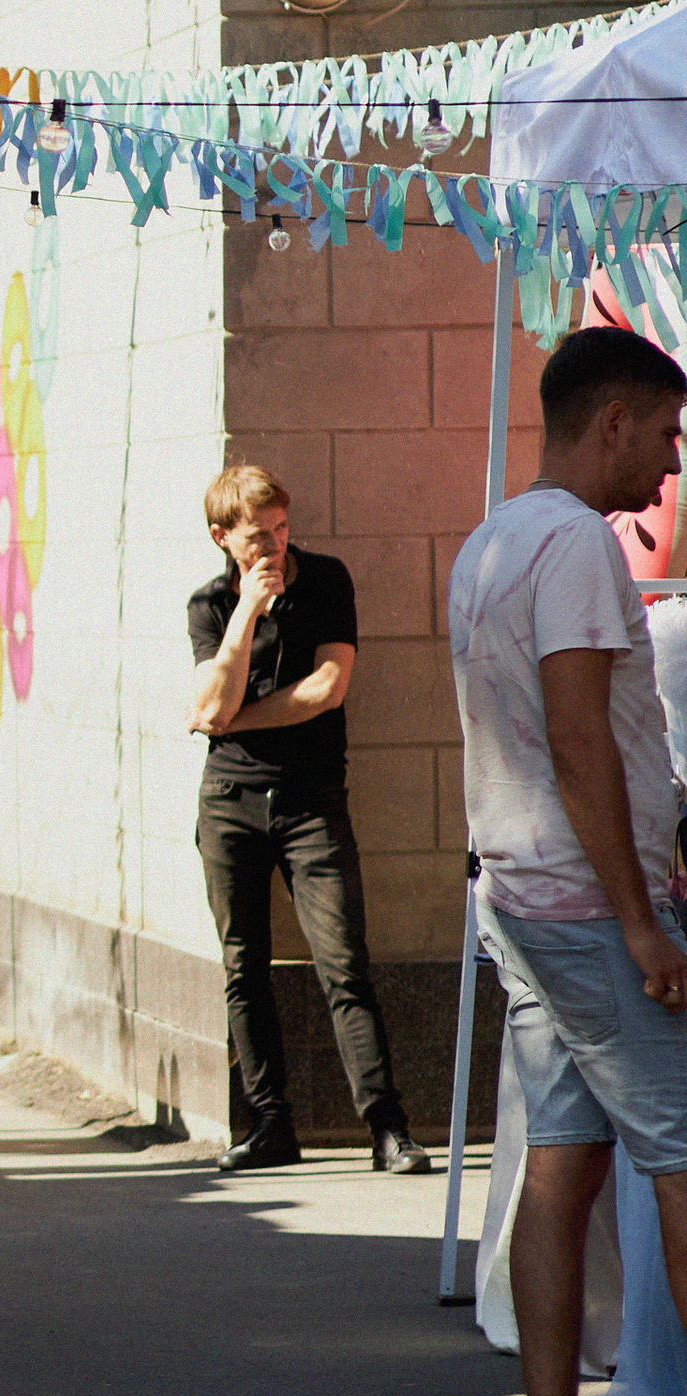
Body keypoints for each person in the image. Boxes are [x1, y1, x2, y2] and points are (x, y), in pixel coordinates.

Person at [448, 321, 687, 1396]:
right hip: (592, 910)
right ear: (610, 421)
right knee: (681, 1151)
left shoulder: (491, 541)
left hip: (525, 898)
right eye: (661, 435)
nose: (667, 467)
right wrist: (643, 921)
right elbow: (579, 737)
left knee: (560, 1161)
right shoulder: (577, 549)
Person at [186, 460, 421, 1176]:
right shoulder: (208, 606)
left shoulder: (325, 580)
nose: (276, 548)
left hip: (311, 801)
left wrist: (231, 720)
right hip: (230, 804)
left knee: (343, 962)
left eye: (283, 529)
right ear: (224, 538)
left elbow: (326, 687)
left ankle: (387, 1127)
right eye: (259, 536)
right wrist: (247, 617)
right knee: (241, 965)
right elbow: (204, 702)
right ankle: (269, 1124)